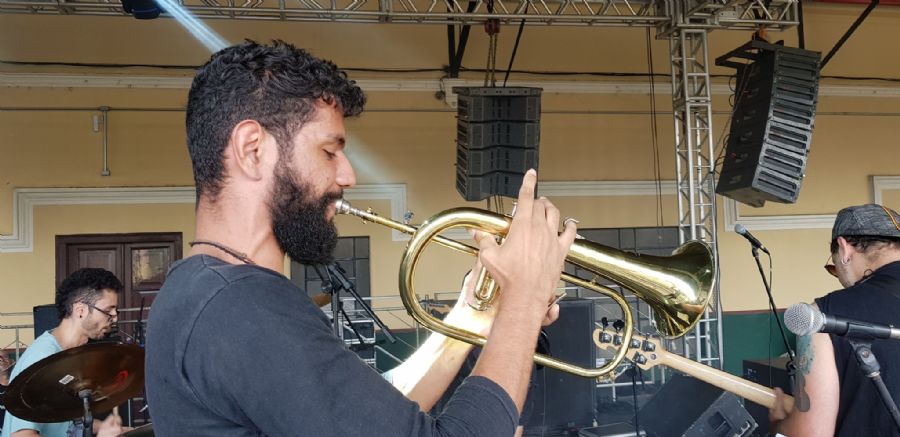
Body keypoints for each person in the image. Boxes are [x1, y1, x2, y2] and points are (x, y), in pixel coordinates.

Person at [144, 40, 575, 436]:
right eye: (329, 151)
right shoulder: (243, 306)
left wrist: (473, 317)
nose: (348, 175)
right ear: (252, 149)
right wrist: (524, 299)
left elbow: (383, 415)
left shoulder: (197, 292)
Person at [770, 204, 900, 436]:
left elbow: (811, 433)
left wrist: (779, 423)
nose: (839, 278)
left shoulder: (821, 316)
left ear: (844, 249)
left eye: (835, 267)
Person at [1, 268, 127, 437]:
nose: (114, 317)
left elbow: (63, 421)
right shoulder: (42, 358)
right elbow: (22, 436)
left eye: (115, 311)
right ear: (80, 310)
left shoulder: (71, 354)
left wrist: (102, 427)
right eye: (108, 311)